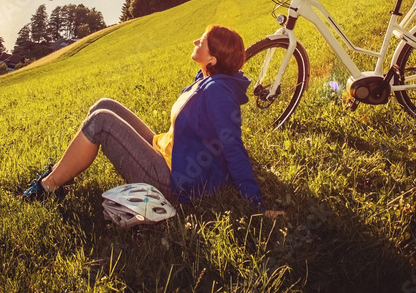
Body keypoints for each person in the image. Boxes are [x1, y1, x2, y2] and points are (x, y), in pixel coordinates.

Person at [22, 24, 282, 217]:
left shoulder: (217, 91)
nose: (195, 41)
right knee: (104, 104)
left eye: (201, 42)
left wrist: (255, 205)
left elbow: (232, 145)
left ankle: (48, 188)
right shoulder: (206, 78)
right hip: (165, 150)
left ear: (212, 59)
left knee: (101, 121)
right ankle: (62, 174)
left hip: (171, 178)